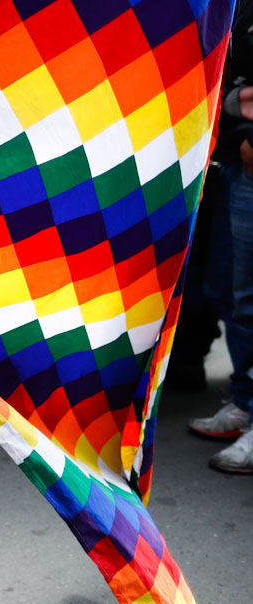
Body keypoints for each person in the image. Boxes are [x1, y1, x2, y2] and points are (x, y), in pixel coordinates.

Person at [190, 0, 253, 473]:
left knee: (246, 296)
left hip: (246, 153)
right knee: (234, 294)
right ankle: (245, 402)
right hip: (234, 157)